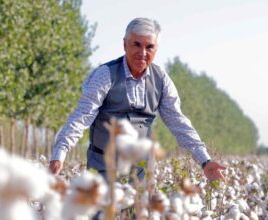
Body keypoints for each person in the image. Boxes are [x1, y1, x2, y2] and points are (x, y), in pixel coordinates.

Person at [49, 17, 225, 182]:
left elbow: (178, 122)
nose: (142, 53)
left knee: (137, 214)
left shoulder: (161, 79)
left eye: (149, 47)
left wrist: (205, 161)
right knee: (101, 215)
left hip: (140, 170)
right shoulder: (105, 75)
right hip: (103, 165)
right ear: (124, 44)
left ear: (156, 50)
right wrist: (60, 153)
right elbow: (82, 116)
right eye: (136, 44)